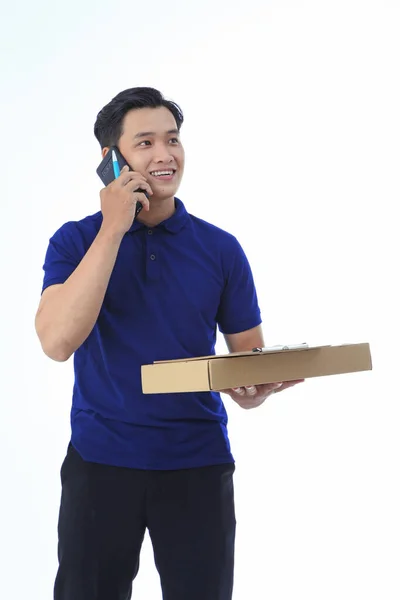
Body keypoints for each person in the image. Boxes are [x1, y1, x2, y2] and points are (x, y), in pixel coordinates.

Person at [35, 87, 303, 600]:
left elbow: (247, 356)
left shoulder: (221, 249)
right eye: (146, 143)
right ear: (111, 160)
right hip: (101, 464)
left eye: (173, 140)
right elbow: (57, 341)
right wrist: (114, 227)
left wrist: (252, 387)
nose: (165, 155)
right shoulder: (74, 241)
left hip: (197, 465)